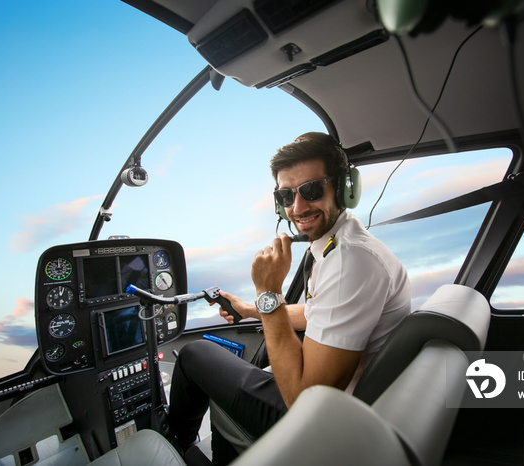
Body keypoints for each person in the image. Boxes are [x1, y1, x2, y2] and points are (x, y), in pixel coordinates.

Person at [167, 132, 411, 464]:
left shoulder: (350, 260)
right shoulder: (340, 243)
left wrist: (269, 292)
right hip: (346, 405)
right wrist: (250, 309)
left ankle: (175, 445)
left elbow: (304, 401)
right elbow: (318, 313)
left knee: (194, 356)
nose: (297, 207)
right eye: (285, 195)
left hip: (323, 423)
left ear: (343, 188)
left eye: (311, 190)